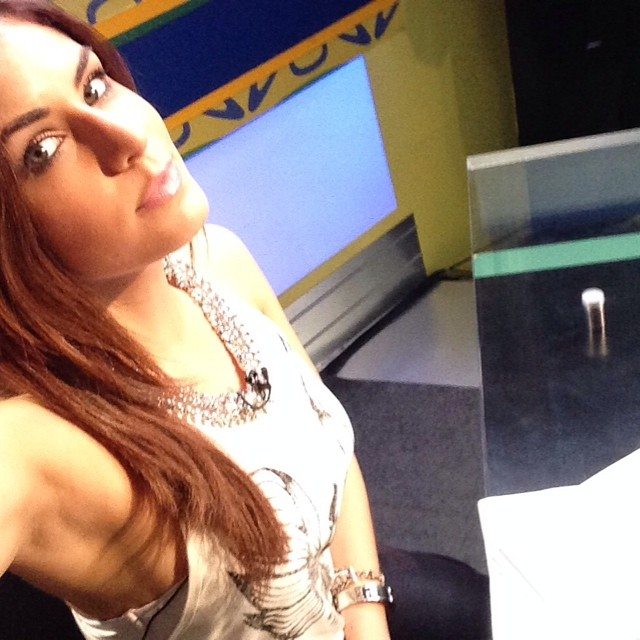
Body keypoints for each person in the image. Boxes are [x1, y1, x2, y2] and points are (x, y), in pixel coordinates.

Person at [0, 2, 491, 639]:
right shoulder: (36, 442)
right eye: (42, 151)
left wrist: (365, 613)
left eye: (95, 85)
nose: (128, 137)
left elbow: (329, 442)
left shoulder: (217, 259)